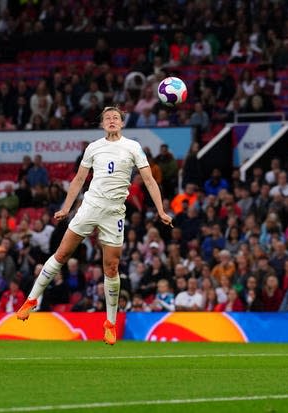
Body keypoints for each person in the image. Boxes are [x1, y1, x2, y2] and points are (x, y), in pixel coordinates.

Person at [15, 106, 173, 345]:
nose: (112, 120)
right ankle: (31, 299)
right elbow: (79, 179)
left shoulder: (133, 147)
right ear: (102, 124)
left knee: (111, 266)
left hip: (114, 212)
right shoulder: (93, 147)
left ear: (122, 123)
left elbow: (149, 180)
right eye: (107, 118)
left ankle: (109, 322)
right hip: (90, 206)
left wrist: (161, 210)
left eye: (116, 118)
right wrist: (66, 207)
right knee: (62, 253)